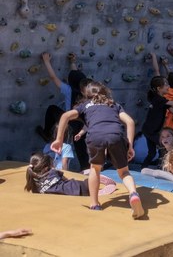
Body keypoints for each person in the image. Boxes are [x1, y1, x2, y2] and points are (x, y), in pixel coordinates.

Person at [51, 81, 144, 218]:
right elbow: (129, 122)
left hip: (95, 136)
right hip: (115, 135)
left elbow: (65, 116)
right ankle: (133, 194)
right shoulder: (114, 105)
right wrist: (130, 145)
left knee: (95, 168)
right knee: (124, 171)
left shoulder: (84, 106)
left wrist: (59, 139)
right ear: (105, 93)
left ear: (86, 95)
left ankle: (94, 203)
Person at [37, 52, 91, 170]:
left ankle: (47, 134)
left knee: (52, 109)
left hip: (68, 121)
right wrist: (72, 62)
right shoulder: (86, 92)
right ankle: (85, 168)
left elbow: (53, 78)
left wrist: (46, 61)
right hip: (83, 124)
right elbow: (77, 77)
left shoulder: (68, 90)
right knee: (80, 145)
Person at [141, 54, 173, 168]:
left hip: (151, 130)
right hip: (151, 131)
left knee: (152, 152)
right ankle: (165, 166)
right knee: (165, 145)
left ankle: (144, 167)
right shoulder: (158, 99)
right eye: (166, 85)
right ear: (159, 88)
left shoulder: (160, 99)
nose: (168, 86)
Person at [24, 152, 116, 196]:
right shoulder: (53, 172)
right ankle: (94, 177)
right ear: (46, 168)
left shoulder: (36, 184)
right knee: (88, 183)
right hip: (77, 187)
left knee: (87, 188)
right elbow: (65, 179)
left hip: (77, 193)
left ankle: (94, 185)